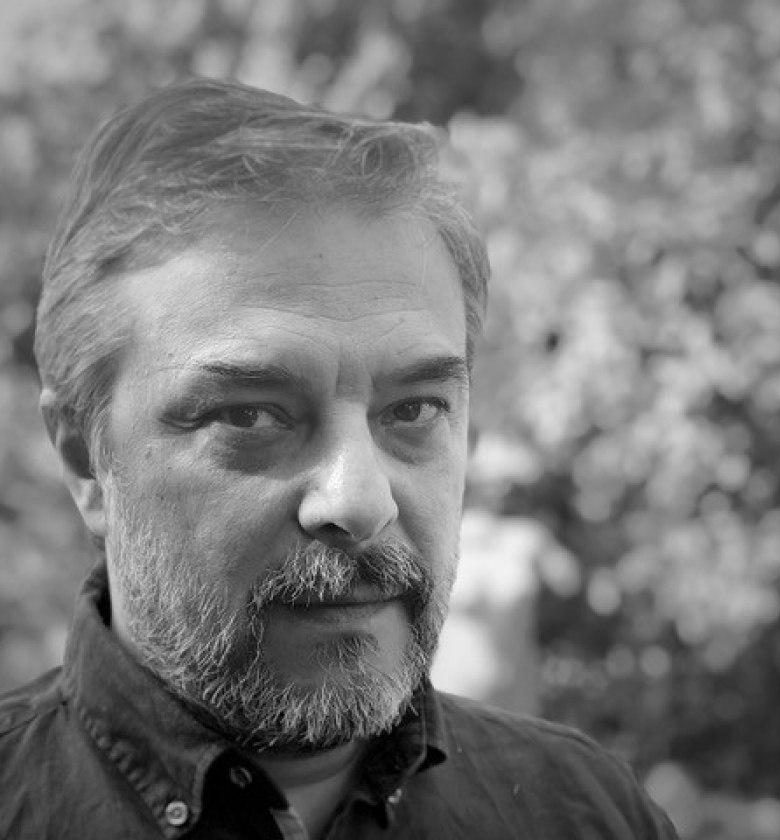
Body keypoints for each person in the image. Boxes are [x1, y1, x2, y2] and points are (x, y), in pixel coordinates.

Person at [0, 77, 679, 840]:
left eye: (413, 410)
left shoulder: (588, 814)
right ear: (85, 458)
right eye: (251, 415)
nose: (359, 500)